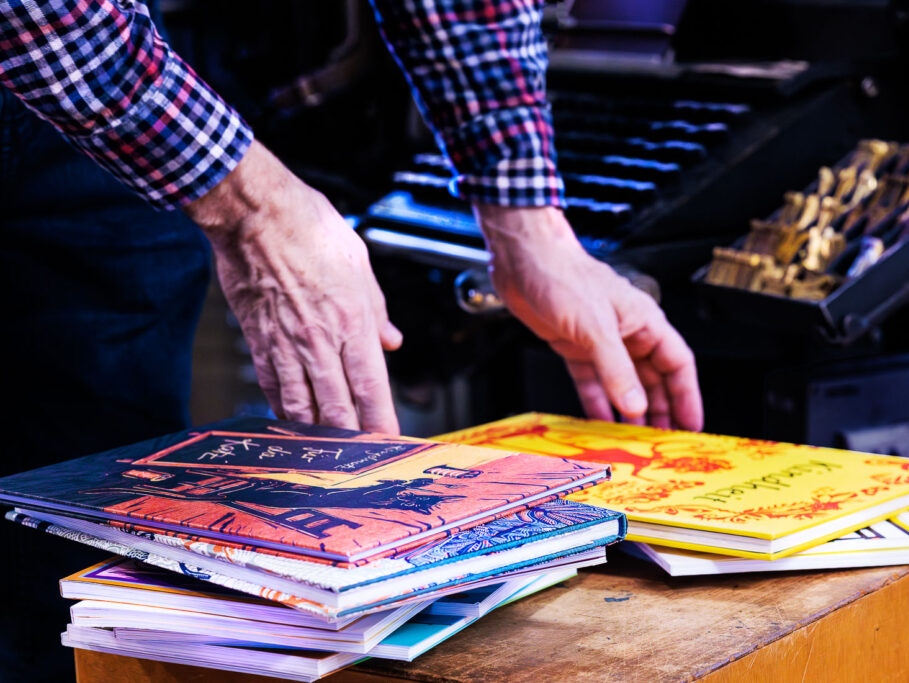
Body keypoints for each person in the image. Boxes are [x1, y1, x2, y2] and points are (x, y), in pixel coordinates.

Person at [0, 0, 702, 677]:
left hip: (121, 60)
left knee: (88, 550)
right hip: (80, 43)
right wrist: (252, 206)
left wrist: (525, 218)